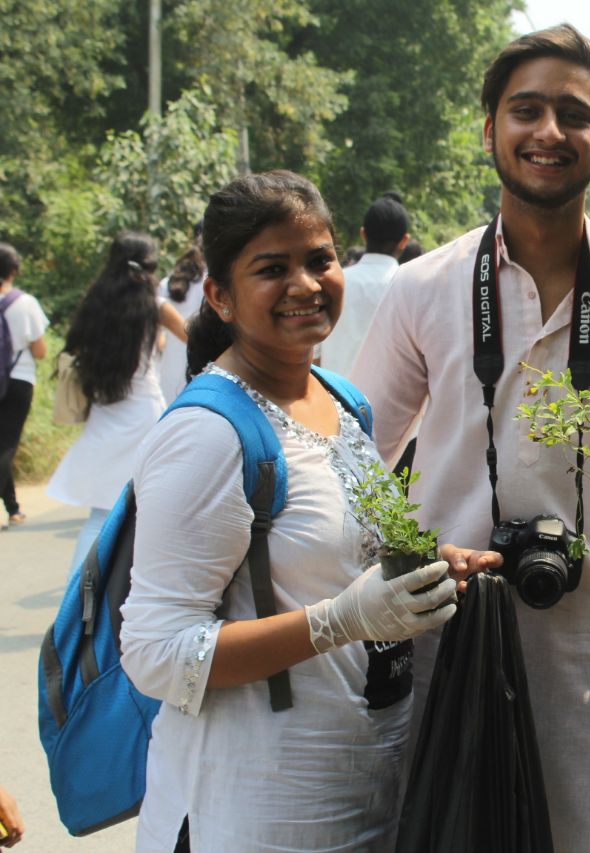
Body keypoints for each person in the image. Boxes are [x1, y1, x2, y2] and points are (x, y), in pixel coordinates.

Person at [351, 24, 590, 853]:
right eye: (527, 110)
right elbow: (356, 460)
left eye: (574, 114)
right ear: (490, 131)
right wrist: (421, 548)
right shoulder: (423, 288)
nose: (550, 131)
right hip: (449, 645)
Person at [119, 170, 463, 851]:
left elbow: (342, 562)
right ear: (219, 294)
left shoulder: (343, 401)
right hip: (254, 811)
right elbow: (155, 652)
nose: (305, 285)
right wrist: (339, 620)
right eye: (272, 268)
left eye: (319, 260)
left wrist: (429, 571)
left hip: (363, 788)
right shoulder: (210, 434)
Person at [46, 231, 187, 570]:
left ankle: (78, 602)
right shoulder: (154, 306)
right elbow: (193, 337)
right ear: (150, 265)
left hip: (106, 410)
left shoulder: (95, 303)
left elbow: (77, 348)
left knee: (99, 514)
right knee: (149, 507)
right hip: (144, 411)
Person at [317, 192, 411, 377]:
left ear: (363, 234)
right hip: (391, 404)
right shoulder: (410, 286)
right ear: (404, 241)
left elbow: (315, 354)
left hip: (334, 400)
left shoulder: (335, 282)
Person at [0, 243, 48, 530]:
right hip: (19, 379)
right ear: (14, 270)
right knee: (6, 446)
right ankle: (13, 508)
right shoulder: (25, 303)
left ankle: (14, 508)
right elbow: (40, 351)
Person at [157, 225, 207, 403]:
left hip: (167, 373)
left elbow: (158, 337)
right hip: (199, 372)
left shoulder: (166, 283)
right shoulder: (212, 285)